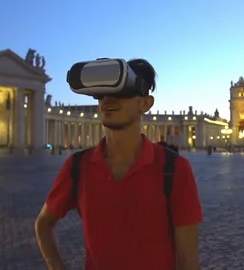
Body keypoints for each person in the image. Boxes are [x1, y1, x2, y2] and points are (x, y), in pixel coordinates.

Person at [35, 58, 203, 270]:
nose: (108, 100)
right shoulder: (77, 166)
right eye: (102, 93)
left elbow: (188, 260)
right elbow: (43, 223)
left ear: (145, 104)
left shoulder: (174, 169)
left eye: (122, 92)